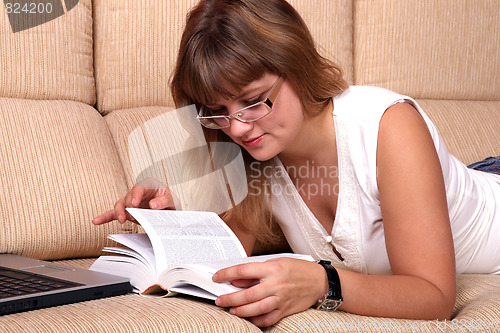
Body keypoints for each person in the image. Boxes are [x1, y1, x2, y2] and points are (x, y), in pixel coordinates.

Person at [92, 0, 500, 327]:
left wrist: (325, 282)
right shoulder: (255, 152)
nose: (236, 127)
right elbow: (227, 253)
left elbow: (434, 298)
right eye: (217, 109)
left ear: (297, 65)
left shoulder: (386, 127)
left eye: (253, 100)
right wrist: (167, 220)